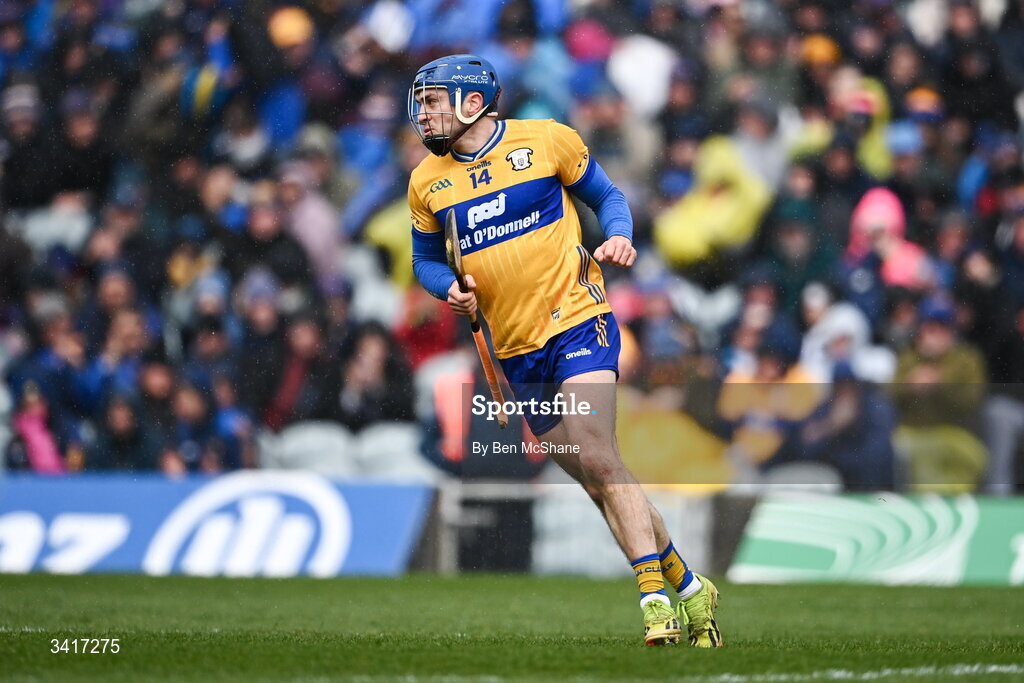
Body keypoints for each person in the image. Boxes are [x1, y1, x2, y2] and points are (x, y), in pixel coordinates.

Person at [407, 54, 722, 647]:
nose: (423, 113)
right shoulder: (427, 180)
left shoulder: (547, 141)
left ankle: (653, 597)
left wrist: (622, 237)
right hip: (515, 351)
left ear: (472, 104)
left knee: (598, 452)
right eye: (421, 102)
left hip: (579, 320)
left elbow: (610, 199)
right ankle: (688, 585)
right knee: (595, 477)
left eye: (432, 100)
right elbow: (425, 258)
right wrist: (445, 287)